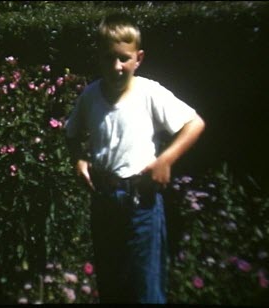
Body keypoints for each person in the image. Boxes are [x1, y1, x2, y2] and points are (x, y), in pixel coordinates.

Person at [65, 13, 205, 304]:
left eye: (124, 58)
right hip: (104, 202)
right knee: (112, 286)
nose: (116, 67)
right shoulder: (90, 96)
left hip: (142, 203)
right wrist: (78, 160)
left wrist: (166, 160)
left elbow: (195, 124)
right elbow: (72, 133)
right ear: (98, 58)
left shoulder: (148, 92)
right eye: (107, 58)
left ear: (138, 58)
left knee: (146, 289)